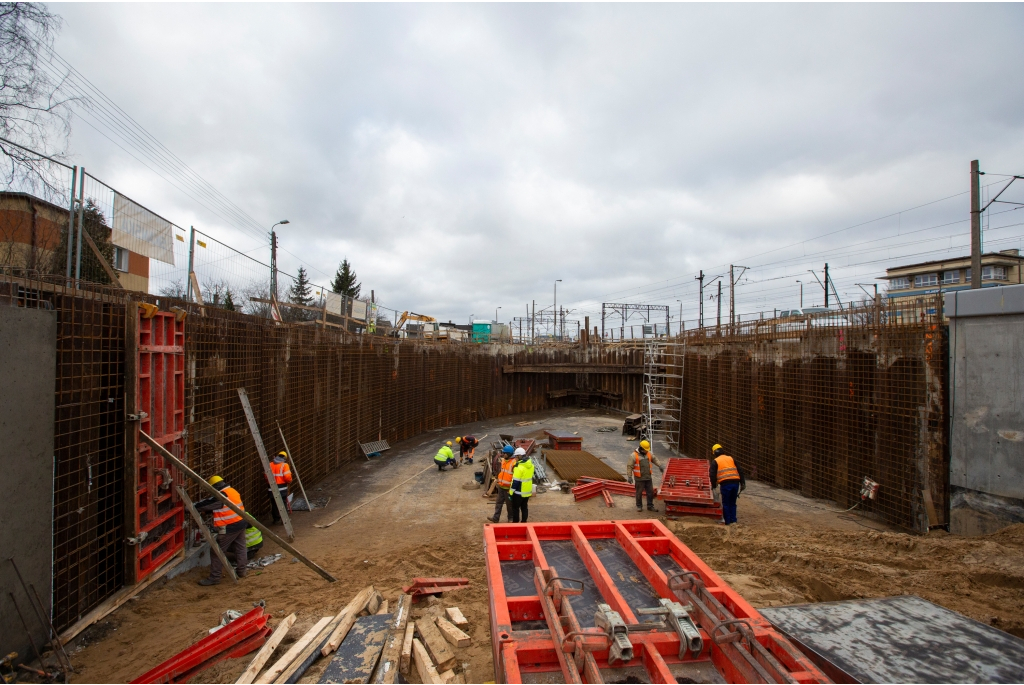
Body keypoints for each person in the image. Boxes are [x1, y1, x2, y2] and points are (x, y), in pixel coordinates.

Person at [195, 475, 248, 585]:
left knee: (217, 551)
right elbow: (225, 507)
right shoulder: (232, 491)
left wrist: (190, 507)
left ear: (214, 487)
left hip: (229, 527)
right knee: (240, 548)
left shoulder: (221, 495)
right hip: (241, 523)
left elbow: (207, 504)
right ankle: (242, 571)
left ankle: (214, 577)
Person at [709, 443, 746, 525]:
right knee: (732, 503)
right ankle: (734, 520)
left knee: (726, 503)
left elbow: (712, 475)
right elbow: (740, 470)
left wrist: (714, 485)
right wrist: (742, 482)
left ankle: (728, 522)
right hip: (736, 483)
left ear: (714, 453)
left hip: (726, 484)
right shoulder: (731, 458)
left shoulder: (715, 461)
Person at [626, 439, 664, 512]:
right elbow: (629, 466)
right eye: (645, 450)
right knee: (639, 493)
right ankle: (639, 506)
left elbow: (655, 459)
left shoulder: (649, 453)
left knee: (650, 492)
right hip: (639, 478)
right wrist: (629, 476)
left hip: (648, 477)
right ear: (641, 448)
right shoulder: (634, 455)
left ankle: (650, 506)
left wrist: (660, 465)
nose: (646, 451)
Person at [487, 445, 517, 523]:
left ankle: (510, 519)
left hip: (508, 488)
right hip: (501, 486)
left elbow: (516, 476)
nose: (503, 454)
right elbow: (501, 471)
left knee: (509, 505)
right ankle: (496, 518)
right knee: (498, 503)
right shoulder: (503, 460)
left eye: (505, 453)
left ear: (509, 454)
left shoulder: (514, 463)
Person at [509, 447, 534, 523]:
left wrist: (511, 493)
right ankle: (524, 523)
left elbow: (515, 482)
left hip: (518, 492)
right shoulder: (531, 465)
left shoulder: (519, 467)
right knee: (524, 508)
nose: (515, 458)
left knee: (515, 508)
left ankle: (516, 524)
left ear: (519, 456)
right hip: (527, 492)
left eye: (516, 456)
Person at [268, 451, 293, 523]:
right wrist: (289, 481)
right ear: (285, 458)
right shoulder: (284, 465)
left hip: (271, 488)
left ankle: (276, 519)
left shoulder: (270, 464)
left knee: (274, 503)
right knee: (283, 503)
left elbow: (266, 476)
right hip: (282, 488)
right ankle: (284, 519)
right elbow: (287, 477)